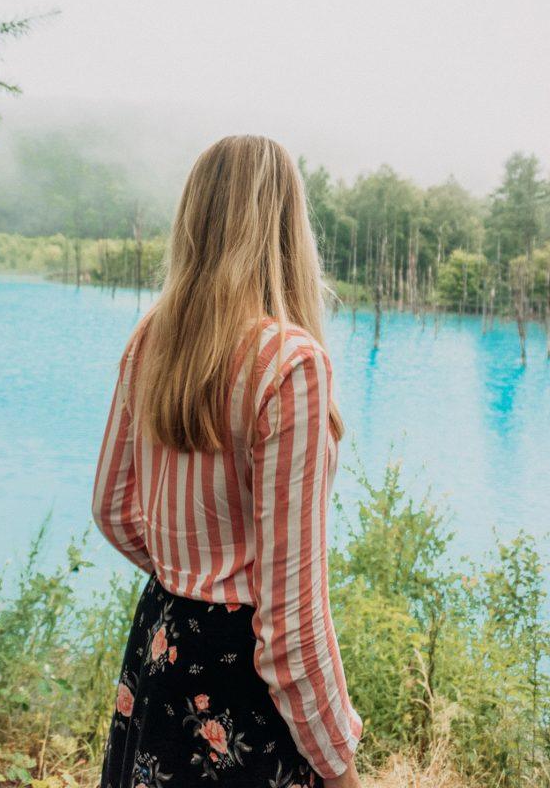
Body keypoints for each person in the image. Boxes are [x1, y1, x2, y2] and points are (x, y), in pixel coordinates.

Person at [92, 135, 363, 788]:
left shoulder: (150, 336)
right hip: (238, 690)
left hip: (160, 649)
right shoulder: (290, 363)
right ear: (286, 224)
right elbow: (291, 622)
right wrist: (340, 769)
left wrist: (191, 578)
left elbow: (110, 508)